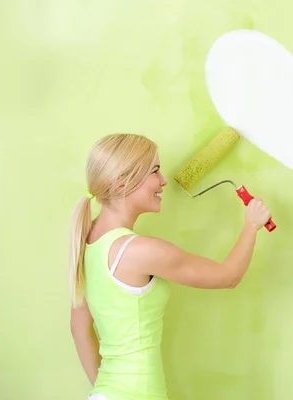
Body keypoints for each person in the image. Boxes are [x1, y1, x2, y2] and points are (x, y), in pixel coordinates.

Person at [68, 133, 272, 400]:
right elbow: (228, 276)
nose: (163, 180)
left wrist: (107, 391)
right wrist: (251, 224)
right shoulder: (140, 251)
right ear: (121, 185)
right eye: (154, 171)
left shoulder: (88, 242)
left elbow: (78, 327)